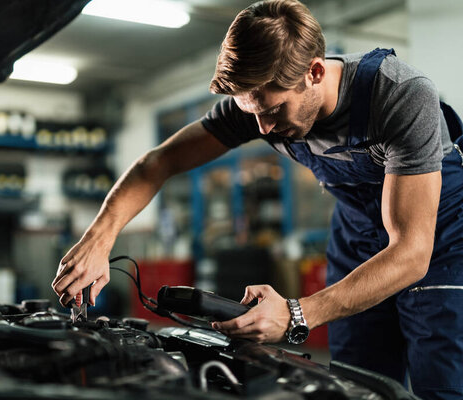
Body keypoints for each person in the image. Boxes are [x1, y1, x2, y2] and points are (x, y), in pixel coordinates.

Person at [52, 0, 463, 398]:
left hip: (440, 234)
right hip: (357, 228)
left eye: (275, 110)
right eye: (252, 114)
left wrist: (295, 313)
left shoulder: (399, 95)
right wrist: (99, 240)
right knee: (358, 379)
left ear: (314, 72)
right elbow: (158, 163)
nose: (263, 127)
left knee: (442, 376)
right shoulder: (254, 109)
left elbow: (411, 250)